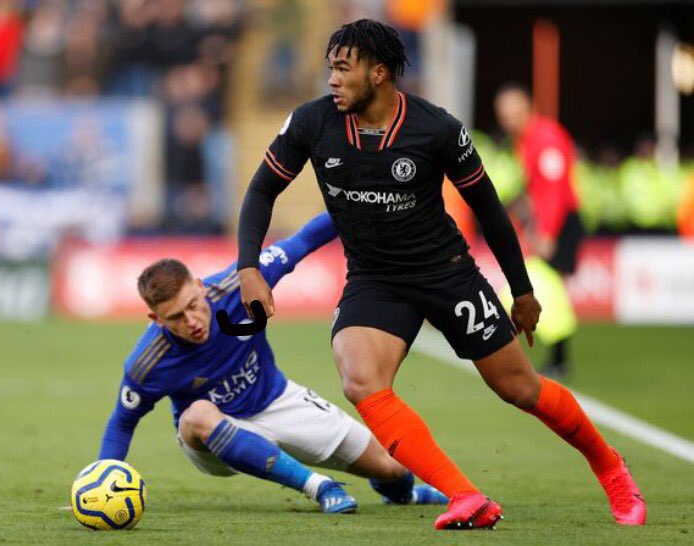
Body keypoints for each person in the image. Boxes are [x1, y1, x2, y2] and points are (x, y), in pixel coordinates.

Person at [236, 19, 645, 529]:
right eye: (330, 69)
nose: (333, 80)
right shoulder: (311, 123)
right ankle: (465, 496)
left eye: (344, 69)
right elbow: (261, 191)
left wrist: (522, 291)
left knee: (520, 388)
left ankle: (610, 466)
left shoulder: (437, 129)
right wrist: (248, 266)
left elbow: (490, 210)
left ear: (379, 72)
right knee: (361, 379)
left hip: (446, 274)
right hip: (375, 279)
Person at [98, 212, 448, 514]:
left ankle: (406, 495)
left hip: (278, 401)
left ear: (201, 286)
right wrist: (103, 482)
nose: (190, 320)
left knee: (391, 468)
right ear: (155, 319)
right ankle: (319, 487)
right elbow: (121, 423)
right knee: (196, 415)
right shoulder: (147, 363)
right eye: (175, 317)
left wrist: (357, 206)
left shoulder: (240, 286)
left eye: (193, 304)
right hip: (213, 435)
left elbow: (305, 239)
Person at [494, 83, 584, 378]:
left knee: (539, 286)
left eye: (513, 113)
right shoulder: (526, 141)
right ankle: (558, 358)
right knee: (547, 288)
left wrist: (546, 232)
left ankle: (552, 356)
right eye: (504, 114)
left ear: (527, 108)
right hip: (550, 221)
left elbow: (552, 190)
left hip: (559, 223)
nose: (508, 120)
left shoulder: (544, 139)